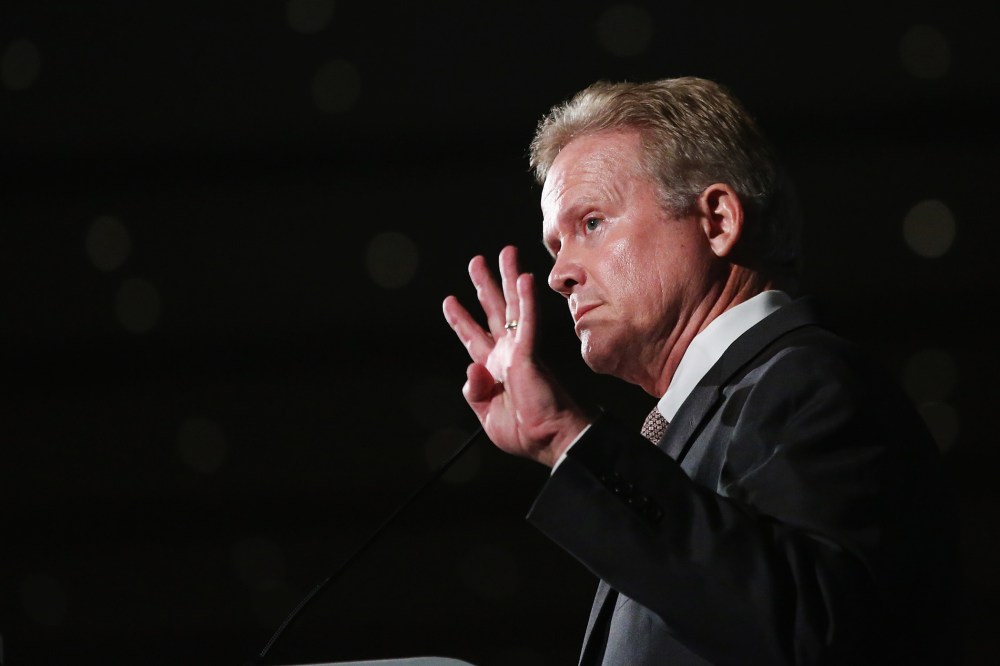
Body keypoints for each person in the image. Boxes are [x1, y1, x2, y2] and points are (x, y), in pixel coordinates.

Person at [442, 77, 960, 665]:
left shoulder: (810, 384)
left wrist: (569, 439)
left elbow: (806, 631)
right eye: (554, 244)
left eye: (590, 224)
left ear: (716, 220)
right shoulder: (685, 427)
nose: (560, 273)